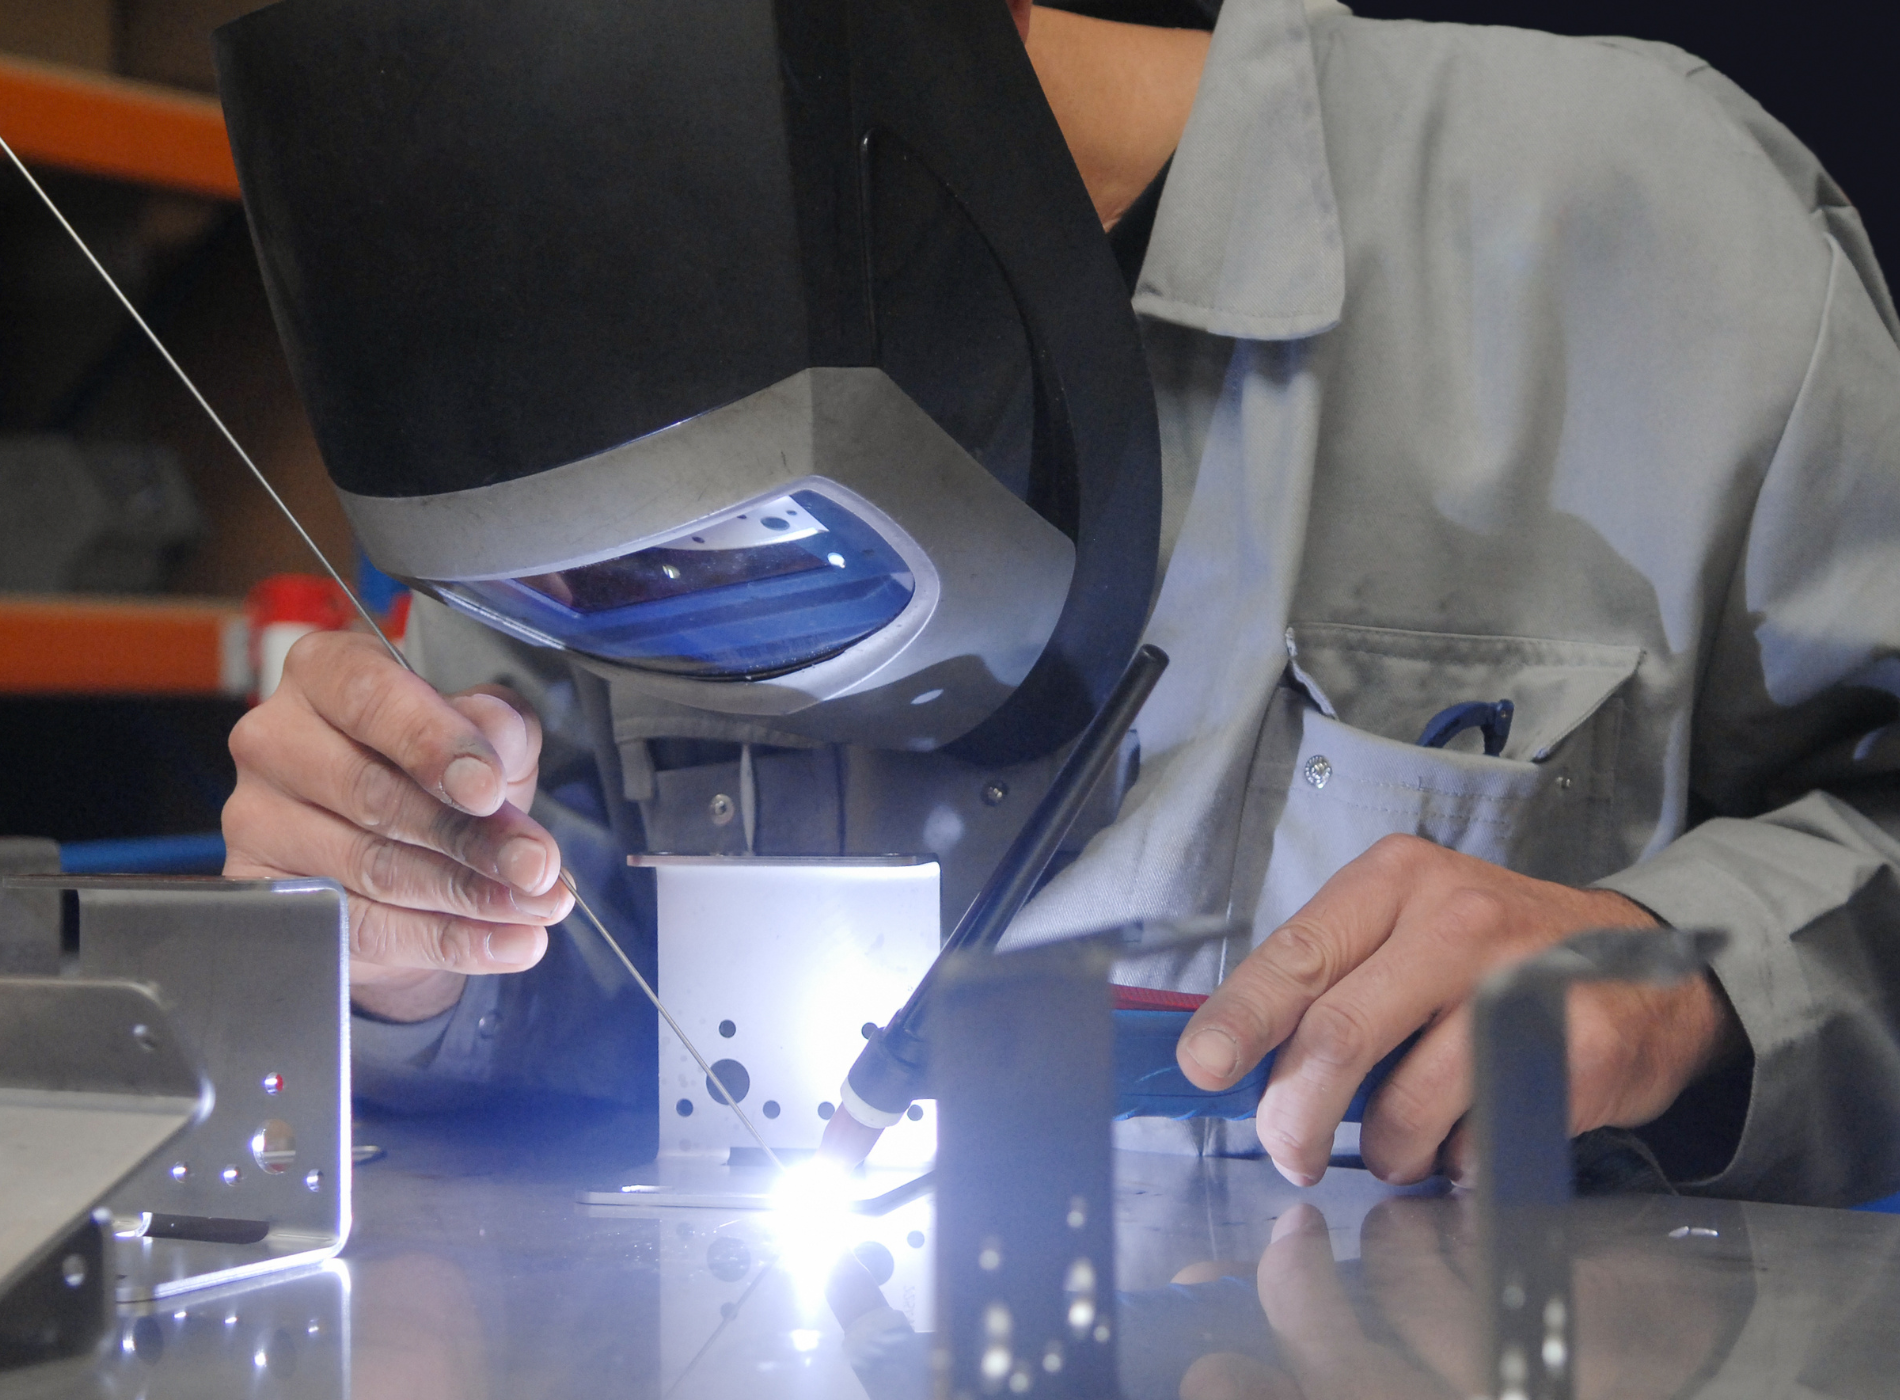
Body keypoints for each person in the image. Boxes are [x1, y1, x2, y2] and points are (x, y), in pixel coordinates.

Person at [222, 0, 1900, 1204]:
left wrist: (1694, 989)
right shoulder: (541, 317)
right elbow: (583, 965)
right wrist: (404, 951)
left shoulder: (1645, 233)